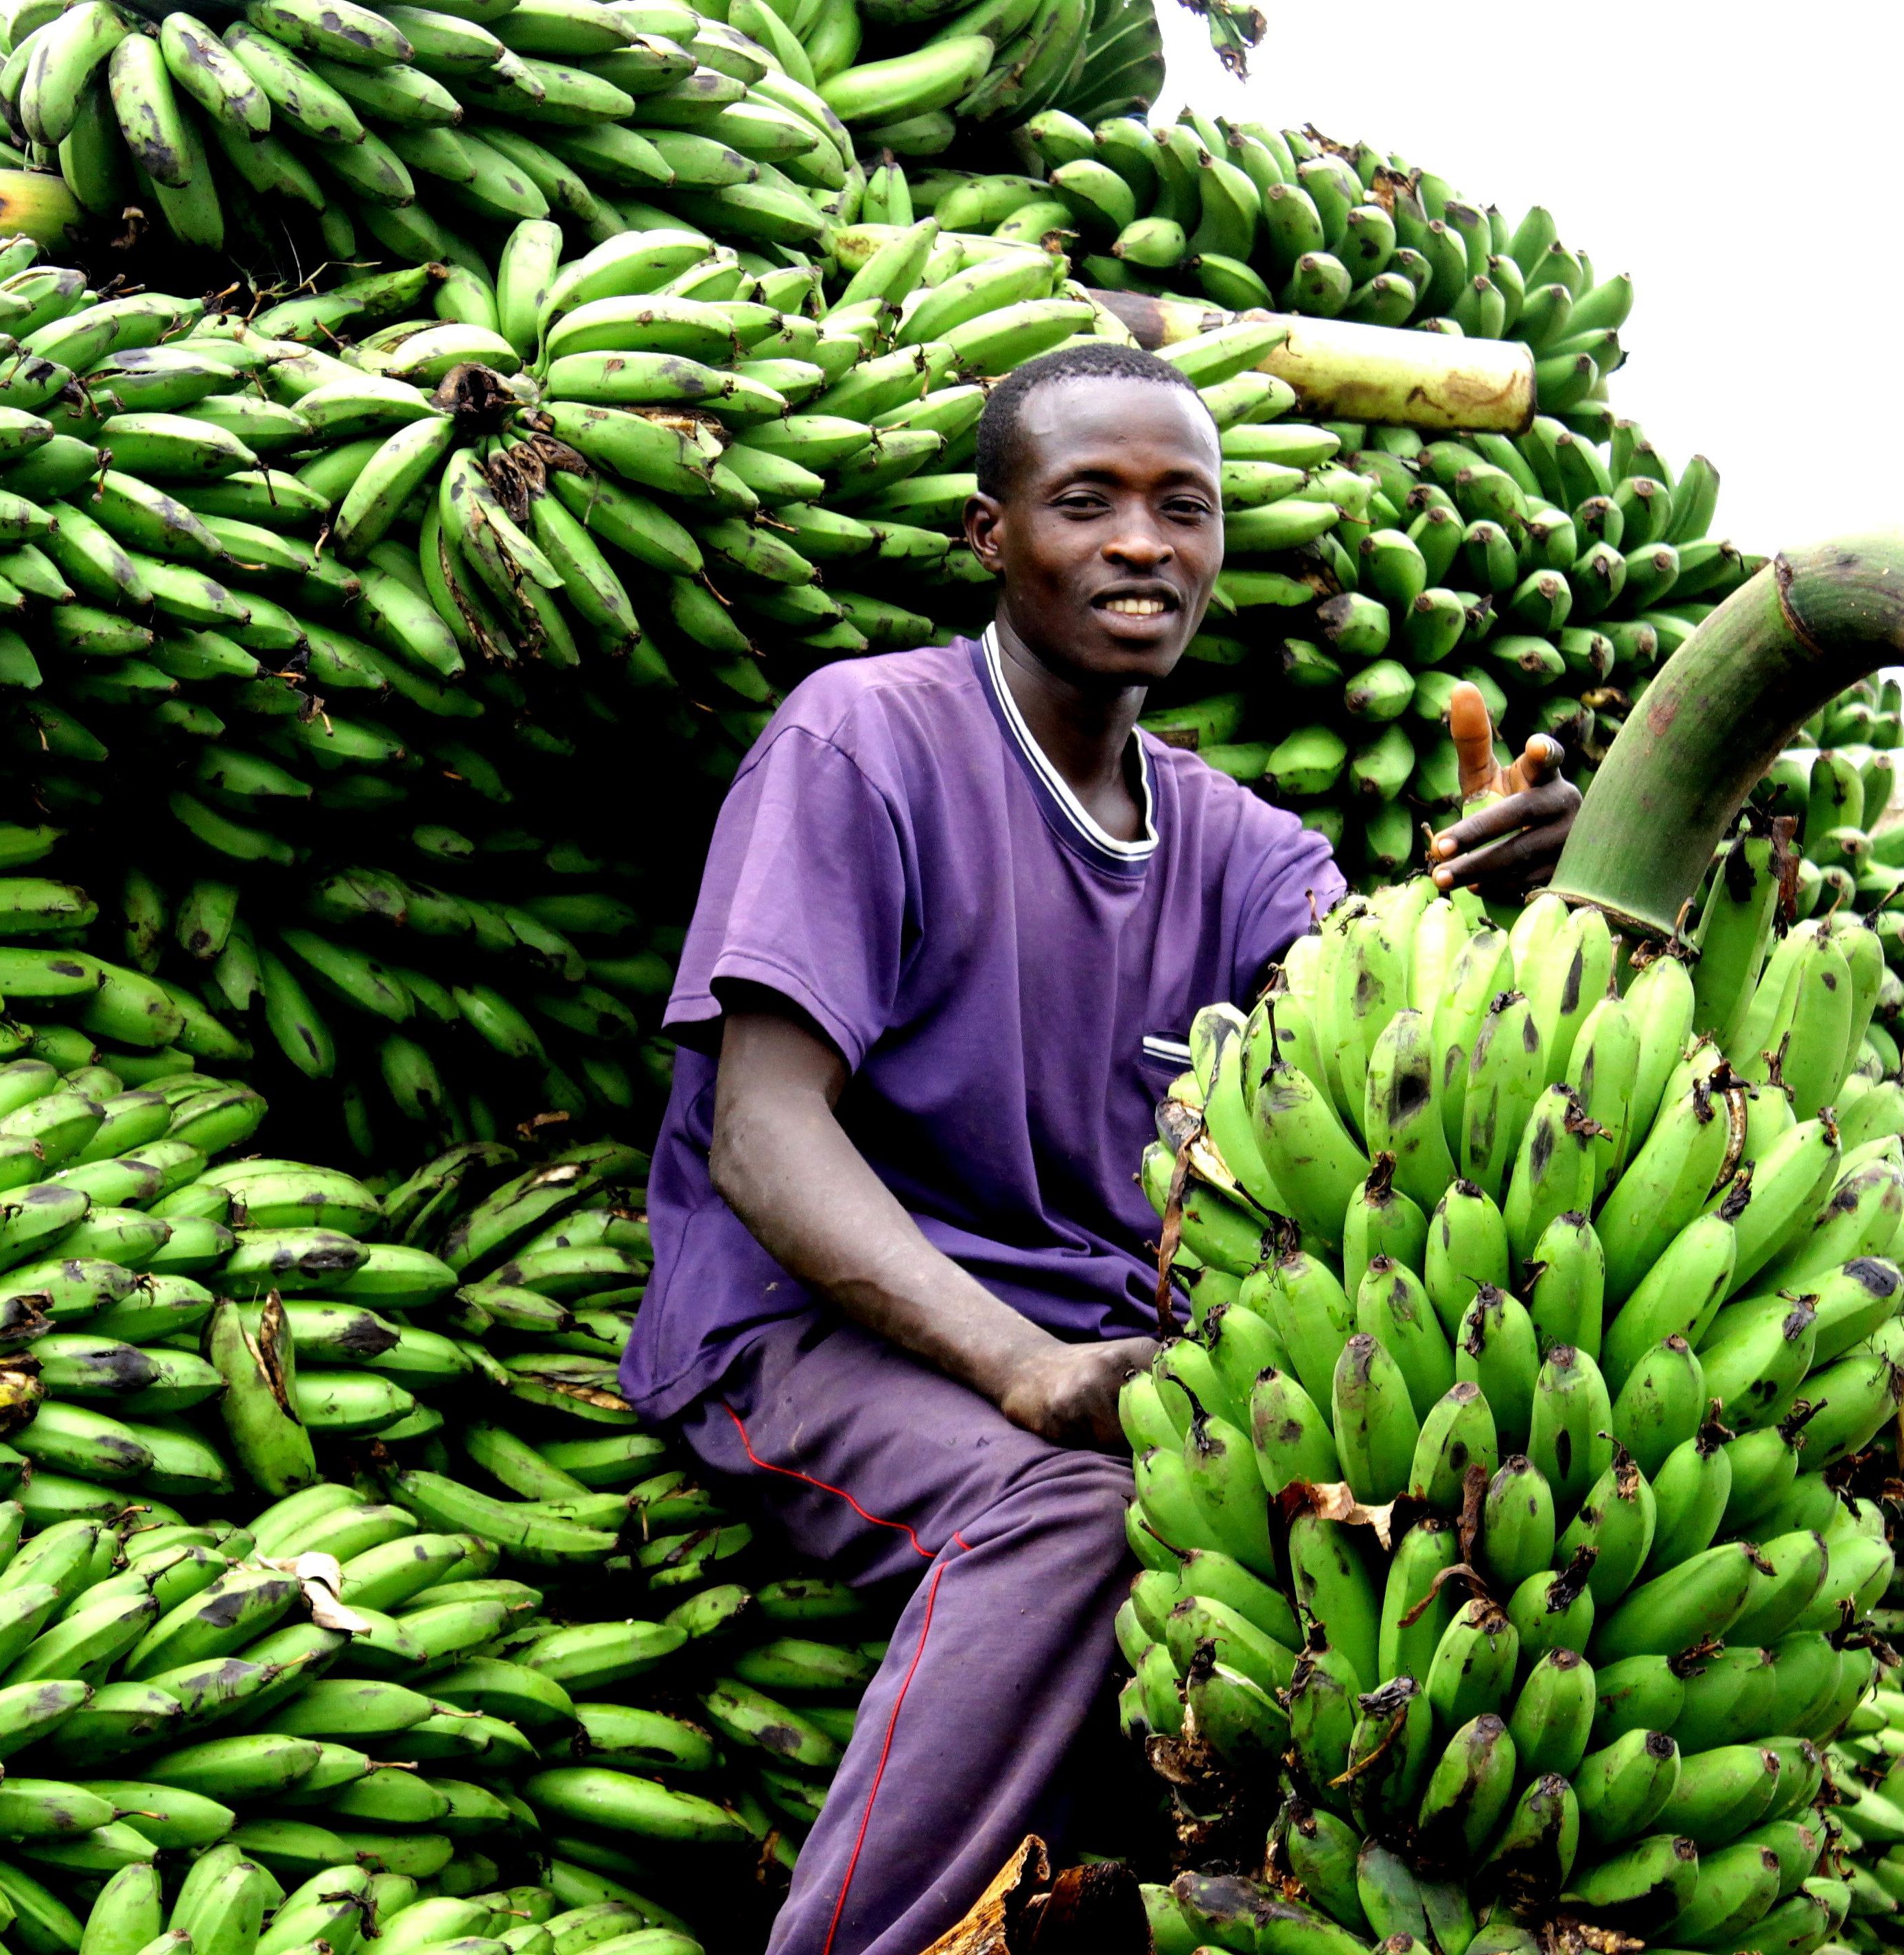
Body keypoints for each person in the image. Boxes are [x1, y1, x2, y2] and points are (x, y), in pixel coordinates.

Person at [621, 342, 1581, 1955]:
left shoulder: (1241, 847)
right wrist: (1019, 1369)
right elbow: (762, 1131)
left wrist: (1547, 887)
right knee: (1080, 1512)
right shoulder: (865, 742)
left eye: (1182, 506)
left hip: (1093, 1348)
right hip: (807, 1327)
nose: (1144, 541)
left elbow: (1393, 1031)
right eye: (1089, 501)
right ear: (994, 534)